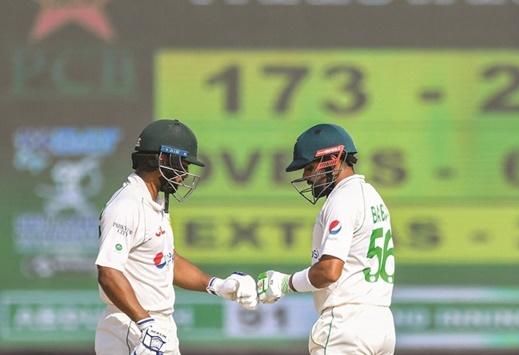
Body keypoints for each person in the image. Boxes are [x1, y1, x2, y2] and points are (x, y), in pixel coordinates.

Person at [95, 119, 258, 355]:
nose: (184, 174)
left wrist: (216, 285)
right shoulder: (127, 205)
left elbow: (166, 260)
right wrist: (145, 323)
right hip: (131, 324)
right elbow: (108, 271)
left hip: (155, 327)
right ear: (162, 159)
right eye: (182, 164)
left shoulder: (153, 204)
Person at [257, 123, 396, 354]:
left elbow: (330, 271)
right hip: (381, 325)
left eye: (310, 168)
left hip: (347, 323)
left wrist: (284, 283)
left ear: (332, 160)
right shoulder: (373, 197)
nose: (306, 177)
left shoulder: (342, 199)